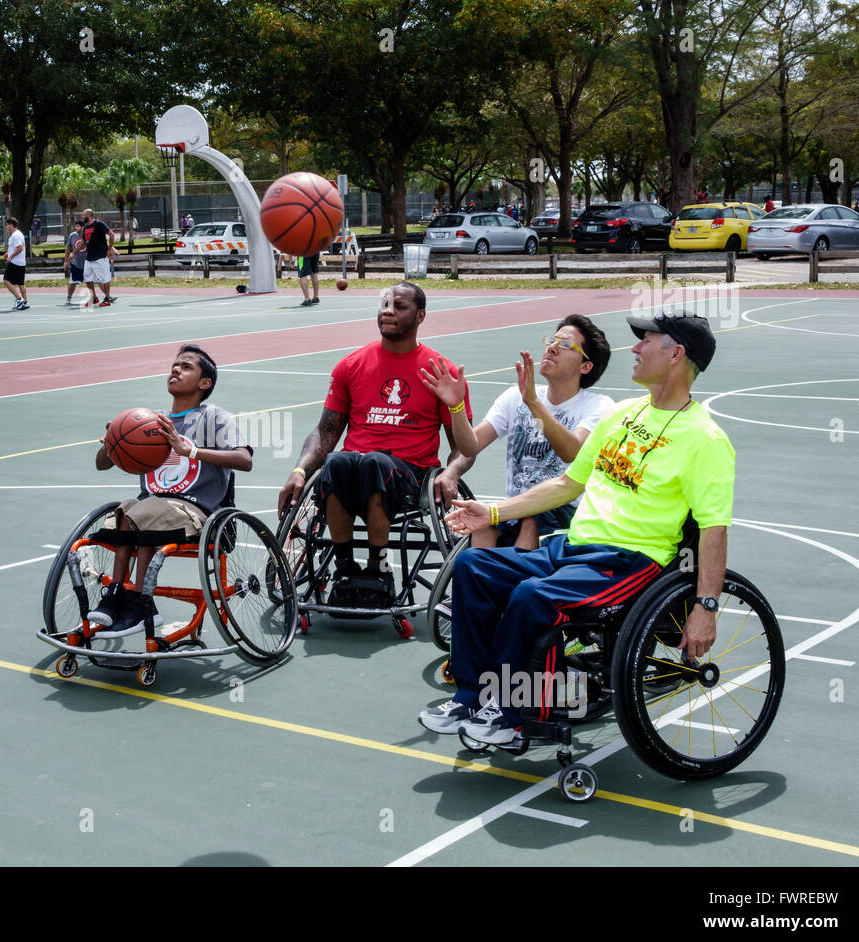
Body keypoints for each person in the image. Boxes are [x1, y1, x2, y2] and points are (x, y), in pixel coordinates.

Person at [418, 313, 734, 746]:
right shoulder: (623, 414)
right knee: (474, 565)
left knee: (533, 597)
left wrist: (706, 607)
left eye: (648, 340)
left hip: (629, 563)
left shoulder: (706, 439)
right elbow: (568, 484)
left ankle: (517, 714)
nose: (636, 348)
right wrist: (493, 514)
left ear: (677, 354)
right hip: (574, 548)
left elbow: (714, 531)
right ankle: (473, 697)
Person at [277, 282, 479, 606]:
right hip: (352, 466)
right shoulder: (351, 364)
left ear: (421, 315)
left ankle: (378, 567)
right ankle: (344, 568)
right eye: (384, 304)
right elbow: (326, 432)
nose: (388, 311)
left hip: (409, 474)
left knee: (374, 463)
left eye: (399, 306)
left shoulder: (441, 371)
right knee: (337, 462)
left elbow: (463, 446)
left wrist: (451, 473)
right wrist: (300, 469)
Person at [89, 345, 253, 637]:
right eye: (175, 364)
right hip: (147, 509)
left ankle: (141, 603)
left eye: (186, 366)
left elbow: (244, 460)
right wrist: (112, 442)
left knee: (143, 513)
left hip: (195, 513)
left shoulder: (214, 417)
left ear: (205, 384)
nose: (176, 369)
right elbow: (102, 465)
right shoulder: (148, 419)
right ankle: (116, 595)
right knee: (126, 510)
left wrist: (190, 450)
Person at [438, 315, 612, 550]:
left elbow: (570, 451)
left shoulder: (598, 406)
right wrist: (456, 407)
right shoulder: (514, 397)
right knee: (481, 525)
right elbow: (470, 447)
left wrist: (533, 403)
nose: (551, 348)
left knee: (533, 520)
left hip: (563, 514)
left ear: (585, 366)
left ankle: (515, 578)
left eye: (565, 344)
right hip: (514, 509)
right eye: (552, 340)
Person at [79, 207, 117, 307]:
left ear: (88, 216)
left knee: (104, 279)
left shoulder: (99, 224)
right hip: (89, 258)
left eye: (83, 215)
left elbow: (112, 235)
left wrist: (109, 249)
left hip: (100, 257)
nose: (82, 217)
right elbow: (83, 241)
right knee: (87, 278)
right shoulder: (86, 227)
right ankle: (93, 298)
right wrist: (74, 253)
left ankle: (107, 299)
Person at [1, 217, 30, 310]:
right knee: (20, 283)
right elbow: (16, 247)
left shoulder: (15, 235)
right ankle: (24, 302)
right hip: (21, 262)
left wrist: (11, 256)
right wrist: (8, 253)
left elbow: (20, 248)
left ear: (10, 225)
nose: (6, 227)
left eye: (7, 225)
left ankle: (19, 299)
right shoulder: (19, 234)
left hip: (15, 262)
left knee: (6, 281)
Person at [63, 220, 86, 306]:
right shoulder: (72, 236)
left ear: (83, 227)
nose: (76, 227)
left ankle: (107, 296)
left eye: (78, 226)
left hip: (88, 263)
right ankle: (68, 298)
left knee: (97, 280)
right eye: (75, 226)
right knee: (72, 282)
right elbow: (68, 248)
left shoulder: (88, 235)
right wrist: (65, 261)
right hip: (76, 263)